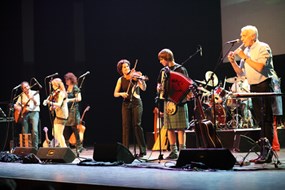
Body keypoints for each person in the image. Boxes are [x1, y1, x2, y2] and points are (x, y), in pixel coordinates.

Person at [227, 25, 277, 163]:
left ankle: (268, 154)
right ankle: (262, 152)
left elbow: (260, 67)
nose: (241, 38)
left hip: (265, 85)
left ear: (252, 36)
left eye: (243, 36)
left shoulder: (263, 47)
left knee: (266, 119)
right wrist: (233, 62)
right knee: (260, 120)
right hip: (254, 86)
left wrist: (244, 56)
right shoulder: (247, 51)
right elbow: (241, 73)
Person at [156, 48, 189, 159]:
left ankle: (182, 150)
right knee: (169, 127)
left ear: (167, 58)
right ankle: (174, 151)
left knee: (181, 128)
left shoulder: (181, 69)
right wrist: (159, 88)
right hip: (167, 101)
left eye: (161, 59)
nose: (160, 62)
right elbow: (159, 85)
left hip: (179, 101)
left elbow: (186, 85)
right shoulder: (163, 71)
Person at [114, 59, 147, 157]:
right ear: (121, 69)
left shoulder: (135, 76)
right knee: (125, 126)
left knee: (137, 125)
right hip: (126, 104)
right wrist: (121, 94)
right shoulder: (120, 79)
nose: (127, 68)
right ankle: (125, 150)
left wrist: (140, 79)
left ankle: (142, 150)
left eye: (127, 66)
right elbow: (115, 93)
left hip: (137, 103)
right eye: (124, 67)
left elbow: (144, 88)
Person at [43, 78, 68, 147]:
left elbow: (59, 104)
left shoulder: (61, 93)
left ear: (57, 85)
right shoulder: (56, 92)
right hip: (58, 115)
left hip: (62, 115)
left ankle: (64, 148)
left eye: (53, 85)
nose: (52, 87)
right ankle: (60, 148)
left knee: (59, 134)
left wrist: (49, 102)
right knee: (55, 134)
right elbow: (57, 105)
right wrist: (53, 107)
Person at [14, 81, 40, 149]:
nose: (27, 88)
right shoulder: (21, 95)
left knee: (34, 130)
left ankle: (35, 149)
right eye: (25, 87)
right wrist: (20, 107)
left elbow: (37, 103)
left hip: (34, 112)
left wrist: (32, 99)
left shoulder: (35, 93)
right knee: (24, 131)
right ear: (23, 89)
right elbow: (17, 105)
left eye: (27, 86)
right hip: (25, 113)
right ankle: (26, 149)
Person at [63, 72, 84, 153]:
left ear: (70, 80)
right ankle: (67, 145)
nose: (66, 81)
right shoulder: (66, 87)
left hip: (74, 111)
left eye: (67, 79)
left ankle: (79, 145)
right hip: (66, 110)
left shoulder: (75, 87)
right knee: (66, 128)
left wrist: (69, 100)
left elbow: (79, 98)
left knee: (74, 128)